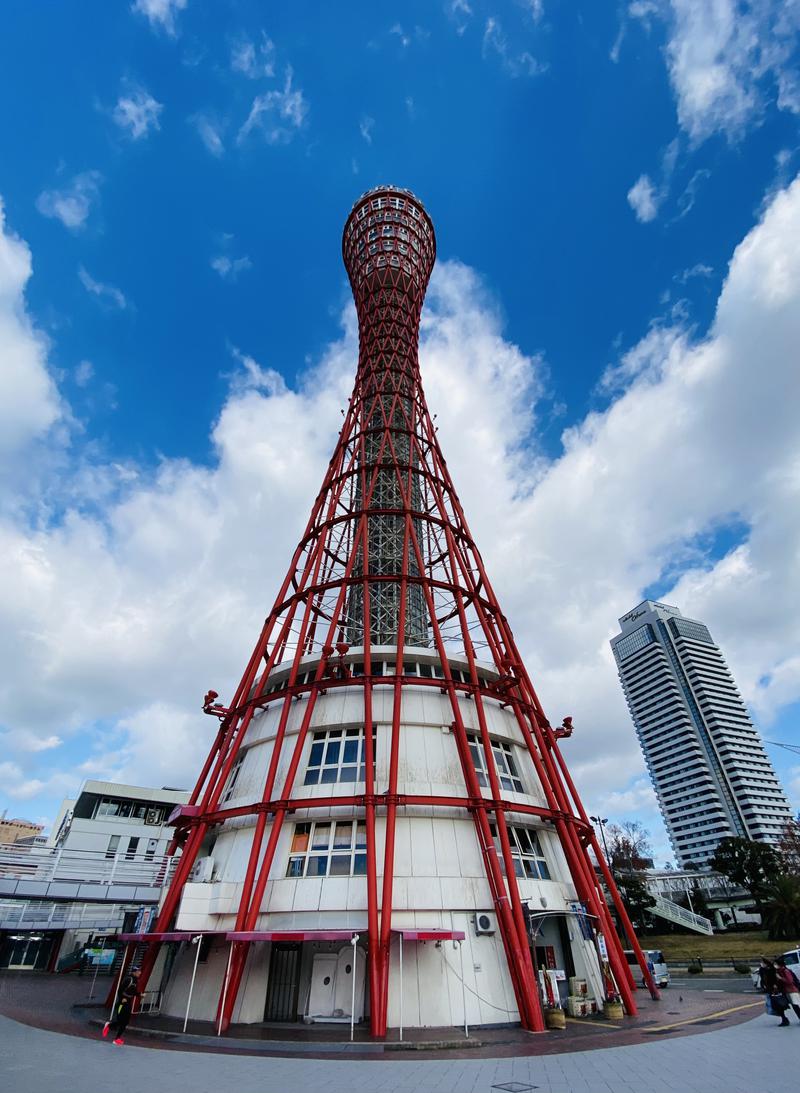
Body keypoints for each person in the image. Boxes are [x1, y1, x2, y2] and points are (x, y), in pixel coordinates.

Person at [102, 967, 141, 1045]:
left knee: (125, 1022)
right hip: (122, 1003)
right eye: (138, 971)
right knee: (121, 1021)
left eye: (140, 971)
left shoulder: (136, 981)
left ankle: (117, 1038)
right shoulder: (128, 979)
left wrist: (140, 994)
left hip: (128, 1002)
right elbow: (120, 990)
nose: (140, 973)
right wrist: (122, 998)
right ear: (134, 972)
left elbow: (133, 992)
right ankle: (109, 1025)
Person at [775, 957, 800, 1024]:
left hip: (791, 991)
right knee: (782, 1005)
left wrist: (780, 978)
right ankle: (784, 1020)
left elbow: (790, 981)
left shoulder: (785, 971)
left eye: (776, 964)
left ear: (780, 964)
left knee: (795, 1006)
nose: (775, 965)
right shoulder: (778, 971)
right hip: (785, 991)